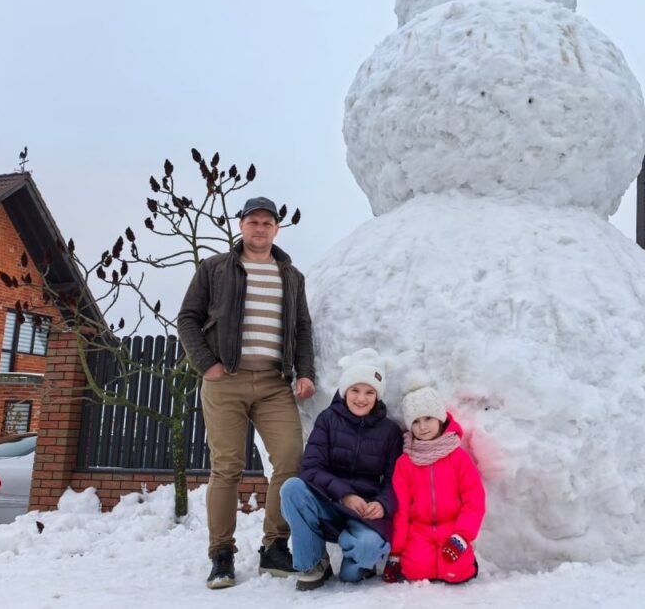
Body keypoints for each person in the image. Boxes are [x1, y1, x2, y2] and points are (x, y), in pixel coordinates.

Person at [178, 196, 317, 590]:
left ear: (276, 229)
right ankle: (221, 553)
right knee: (228, 466)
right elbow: (187, 318)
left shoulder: (291, 276)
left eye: (267, 223)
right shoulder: (215, 269)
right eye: (253, 222)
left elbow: (302, 328)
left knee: (290, 460)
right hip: (226, 381)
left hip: (275, 383)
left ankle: (275, 545)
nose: (260, 228)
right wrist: (207, 364)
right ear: (241, 226)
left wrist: (304, 371)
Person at [280, 348, 404, 591]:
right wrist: (345, 495)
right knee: (292, 488)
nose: (362, 398)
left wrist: (383, 504)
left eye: (370, 392)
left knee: (359, 562)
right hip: (329, 503)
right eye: (355, 390)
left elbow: (396, 479)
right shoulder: (328, 419)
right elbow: (311, 468)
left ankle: (356, 557)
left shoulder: (389, 432)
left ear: (378, 396)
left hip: (365, 512)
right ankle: (314, 563)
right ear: (345, 390)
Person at [383, 379, 486, 584]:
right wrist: (396, 553)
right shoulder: (405, 463)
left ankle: (469, 561)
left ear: (440, 419)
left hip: (452, 527)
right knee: (415, 571)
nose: (422, 427)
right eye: (416, 421)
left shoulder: (458, 457)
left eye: (428, 418)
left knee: (457, 572)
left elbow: (474, 499)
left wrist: (462, 535)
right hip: (418, 531)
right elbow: (401, 509)